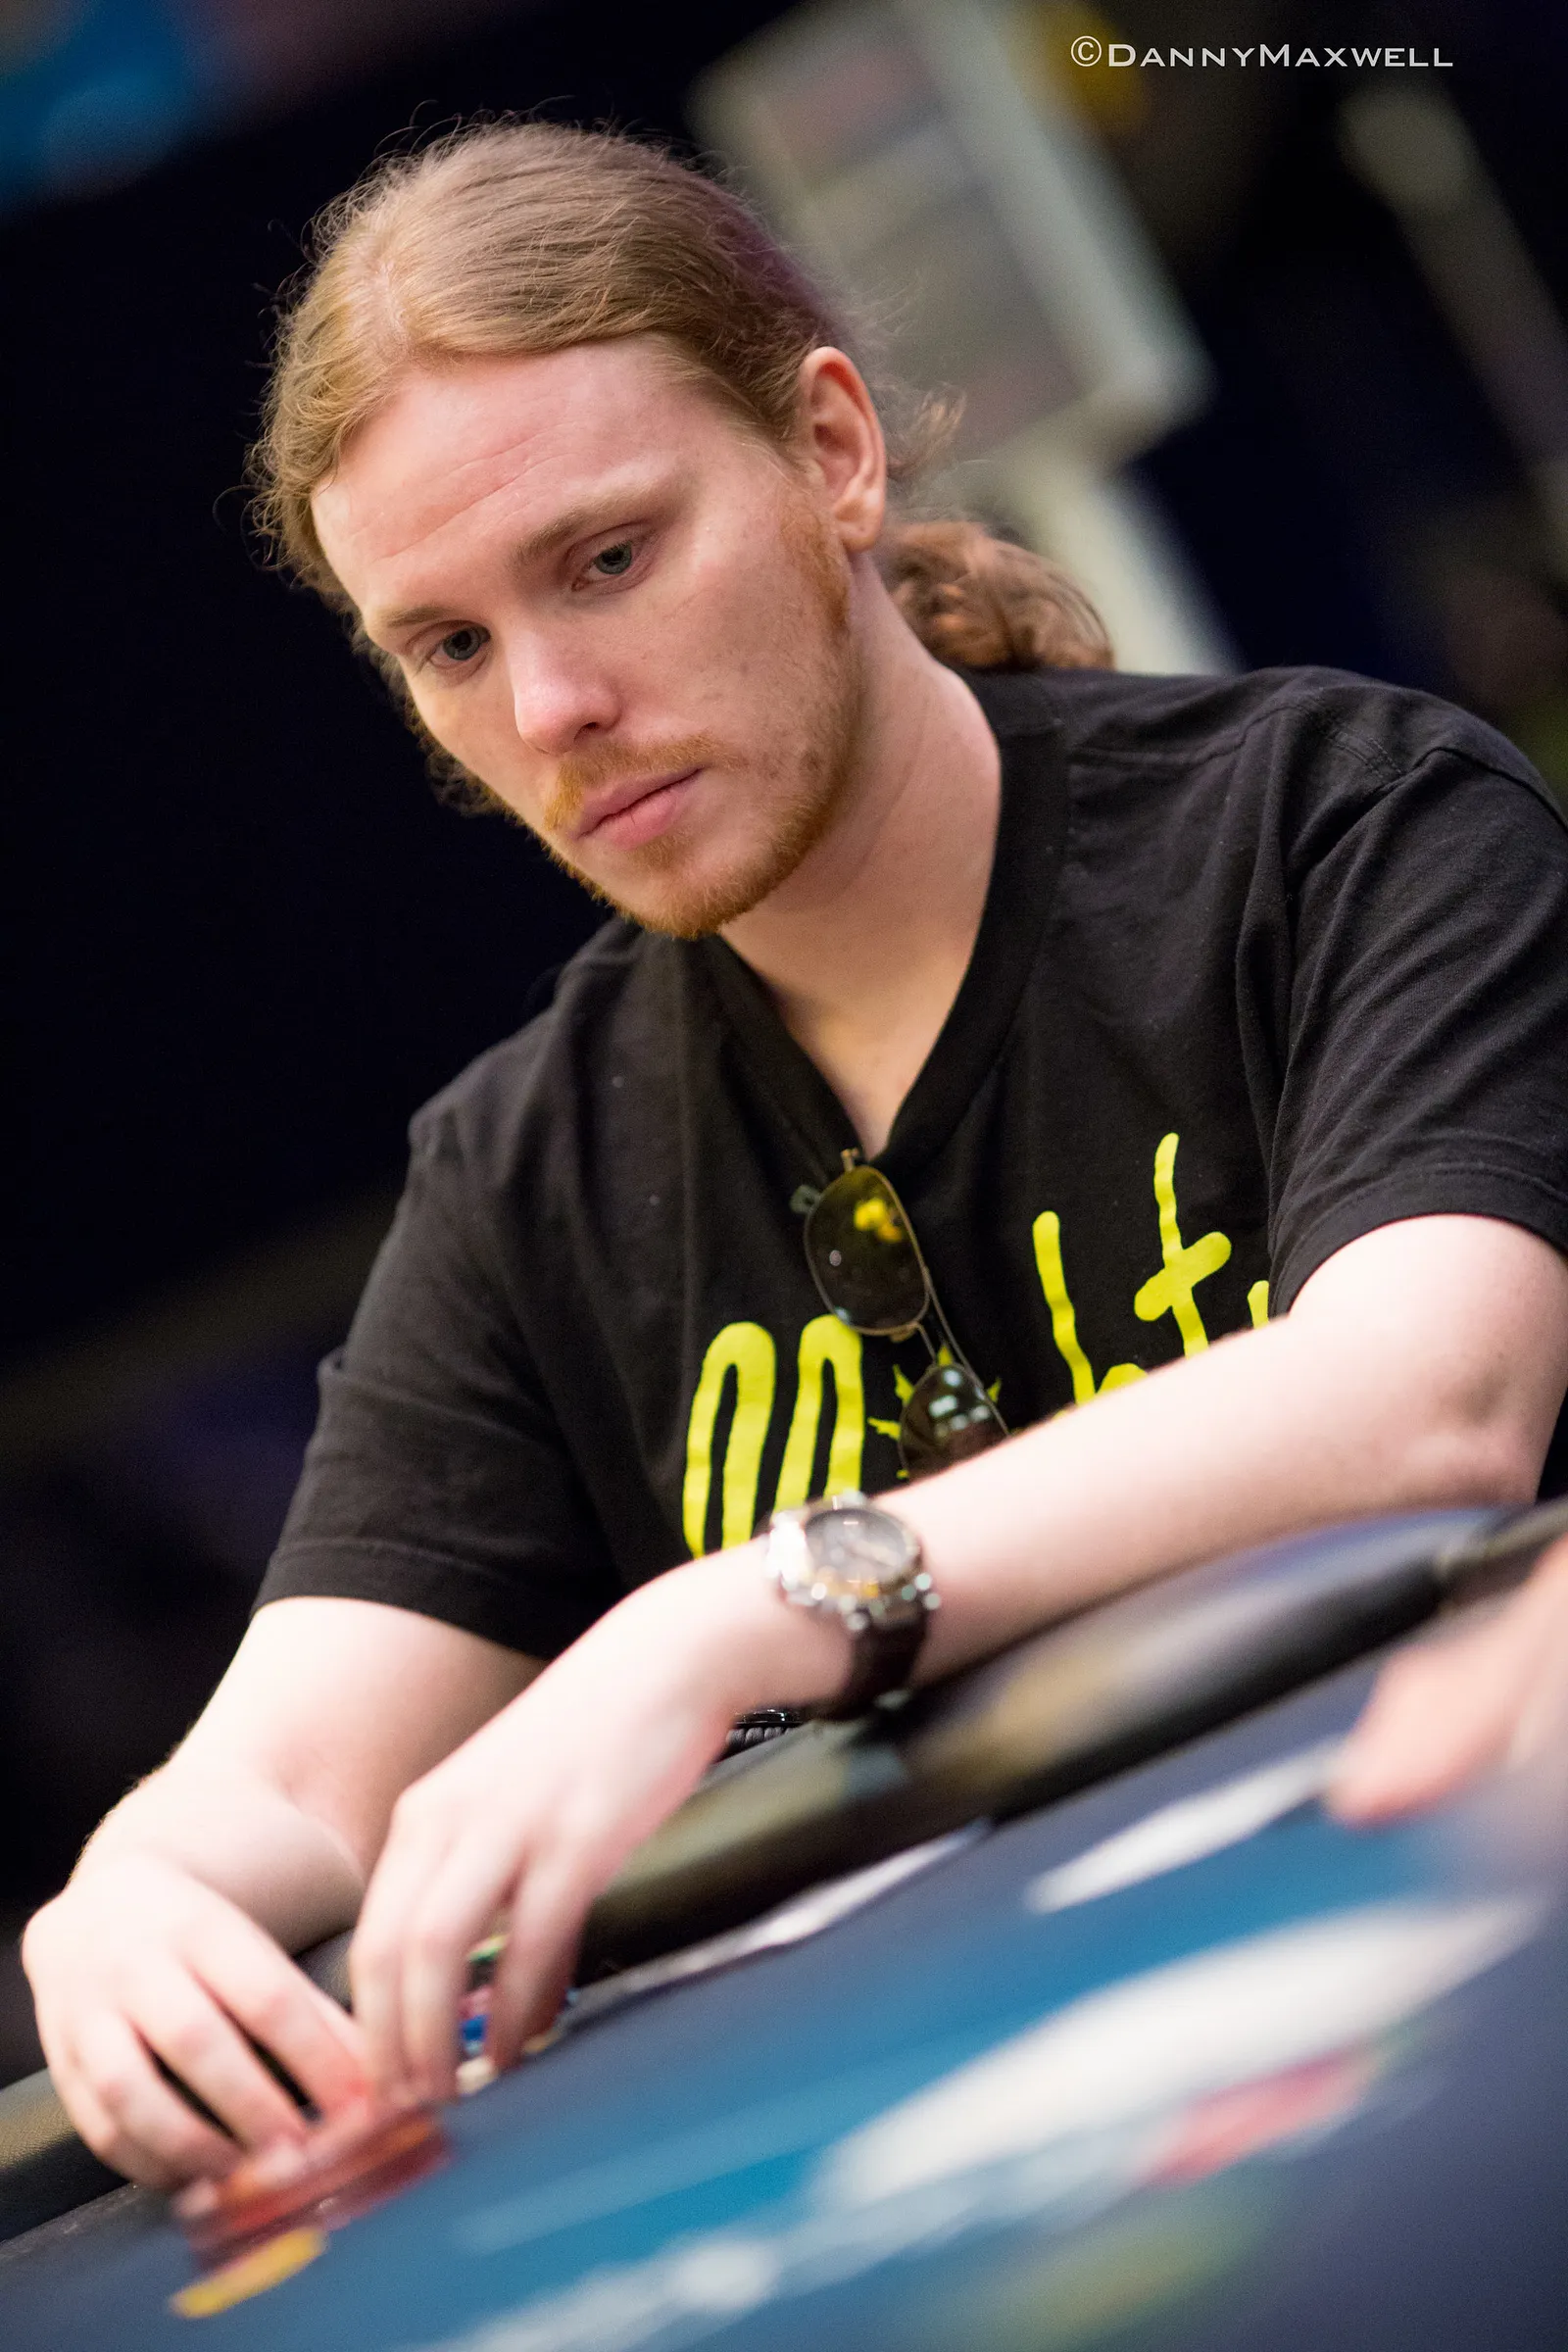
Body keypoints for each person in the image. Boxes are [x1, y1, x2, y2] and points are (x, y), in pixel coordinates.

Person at [23, 122, 1568, 2192]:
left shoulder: (1345, 825)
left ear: (830, 453)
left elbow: (1428, 1398)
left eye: (606, 557)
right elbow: (288, 1784)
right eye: (446, 646)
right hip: (1031, 2132)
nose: (552, 706)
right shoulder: (529, 1173)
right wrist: (127, 1892)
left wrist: (757, 1608)